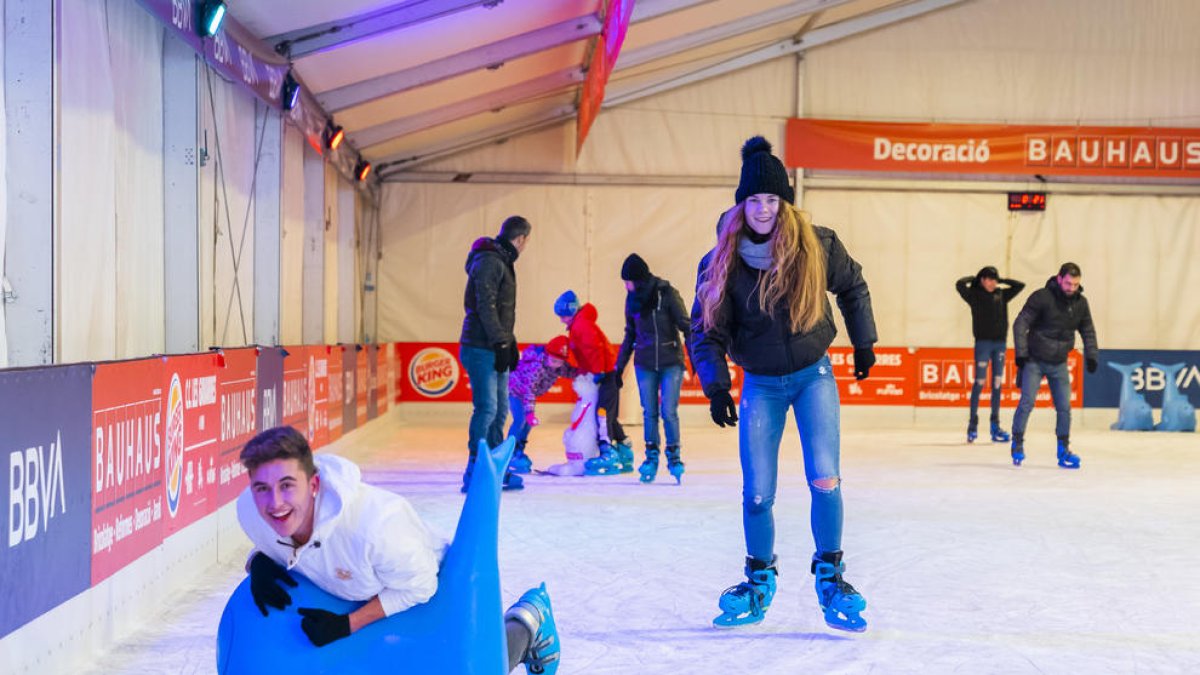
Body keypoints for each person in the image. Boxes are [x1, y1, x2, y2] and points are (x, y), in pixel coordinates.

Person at [692, 136, 877, 632]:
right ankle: (758, 580)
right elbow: (707, 330)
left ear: (785, 202)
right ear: (741, 203)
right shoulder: (720, 263)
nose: (764, 209)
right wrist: (715, 386)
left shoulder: (817, 244)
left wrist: (863, 342)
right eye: (754, 199)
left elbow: (853, 285)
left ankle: (832, 576)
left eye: (773, 199)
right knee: (758, 493)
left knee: (825, 476)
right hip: (761, 384)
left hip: (813, 375)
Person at [236, 426, 560, 673]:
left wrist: (347, 625)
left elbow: (420, 587)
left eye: (287, 486)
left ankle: (530, 619)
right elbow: (278, 537)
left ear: (314, 485)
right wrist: (259, 561)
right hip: (356, 590)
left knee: (474, 667)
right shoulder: (252, 512)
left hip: (428, 591)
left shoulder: (375, 527)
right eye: (262, 488)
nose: (274, 503)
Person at [460, 215, 531, 493]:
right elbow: (485, 306)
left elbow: (502, 311)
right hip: (480, 347)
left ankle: (494, 468)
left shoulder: (501, 260)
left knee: (501, 410)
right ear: (521, 239)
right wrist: (501, 342)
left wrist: (509, 342)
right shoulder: (490, 260)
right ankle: (476, 469)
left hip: (494, 345)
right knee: (487, 408)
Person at [1010, 262, 1098, 468]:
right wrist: (1021, 354)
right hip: (1034, 359)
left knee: (1064, 407)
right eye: (1068, 283)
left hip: (1059, 362)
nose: (1071, 288)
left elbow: (1088, 330)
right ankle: (1017, 443)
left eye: (1076, 284)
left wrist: (1092, 355)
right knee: (1027, 402)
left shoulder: (1080, 303)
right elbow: (1020, 323)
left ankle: (1063, 448)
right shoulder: (1042, 297)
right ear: (1059, 278)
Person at [614, 253, 692, 484]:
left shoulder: (666, 293)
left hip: (671, 361)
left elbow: (685, 325)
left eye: (627, 281)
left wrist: (697, 356)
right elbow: (630, 334)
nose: (626, 286)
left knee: (668, 411)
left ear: (637, 278)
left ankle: (674, 457)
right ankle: (651, 456)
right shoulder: (632, 300)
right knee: (649, 412)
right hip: (645, 362)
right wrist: (619, 368)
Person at [553, 290, 634, 475]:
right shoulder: (579, 325)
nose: (561, 320)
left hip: (605, 375)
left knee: (603, 415)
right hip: (604, 374)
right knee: (609, 415)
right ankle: (625, 451)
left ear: (571, 311)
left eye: (563, 315)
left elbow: (594, 350)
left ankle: (608, 452)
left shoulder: (582, 325)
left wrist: (597, 373)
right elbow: (585, 357)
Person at [955, 266, 1025, 443]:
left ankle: (995, 426)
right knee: (979, 383)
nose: (993, 283)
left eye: (995, 279)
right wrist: (975, 277)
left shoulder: (1001, 295)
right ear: (983, 280)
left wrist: (1001, 281)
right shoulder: (974, 295)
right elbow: (959, 284)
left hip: (1000, 345)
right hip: (983, 344)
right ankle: (973, 425)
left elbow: (1020, 285)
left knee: (997, 384)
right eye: (989, 279)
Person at [506, 336, 577, 473]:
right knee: (520, 420)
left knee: (527, 424)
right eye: (553, 360)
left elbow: (569, 371)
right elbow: (529, 390)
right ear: (547, 355)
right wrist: (530, 413)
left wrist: (586, 373)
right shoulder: (536, 367)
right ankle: (508, 453)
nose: (555, 364)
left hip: (526, 394)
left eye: (559, 362)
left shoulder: (556, 365)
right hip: (514, 390)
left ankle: (519, 450)